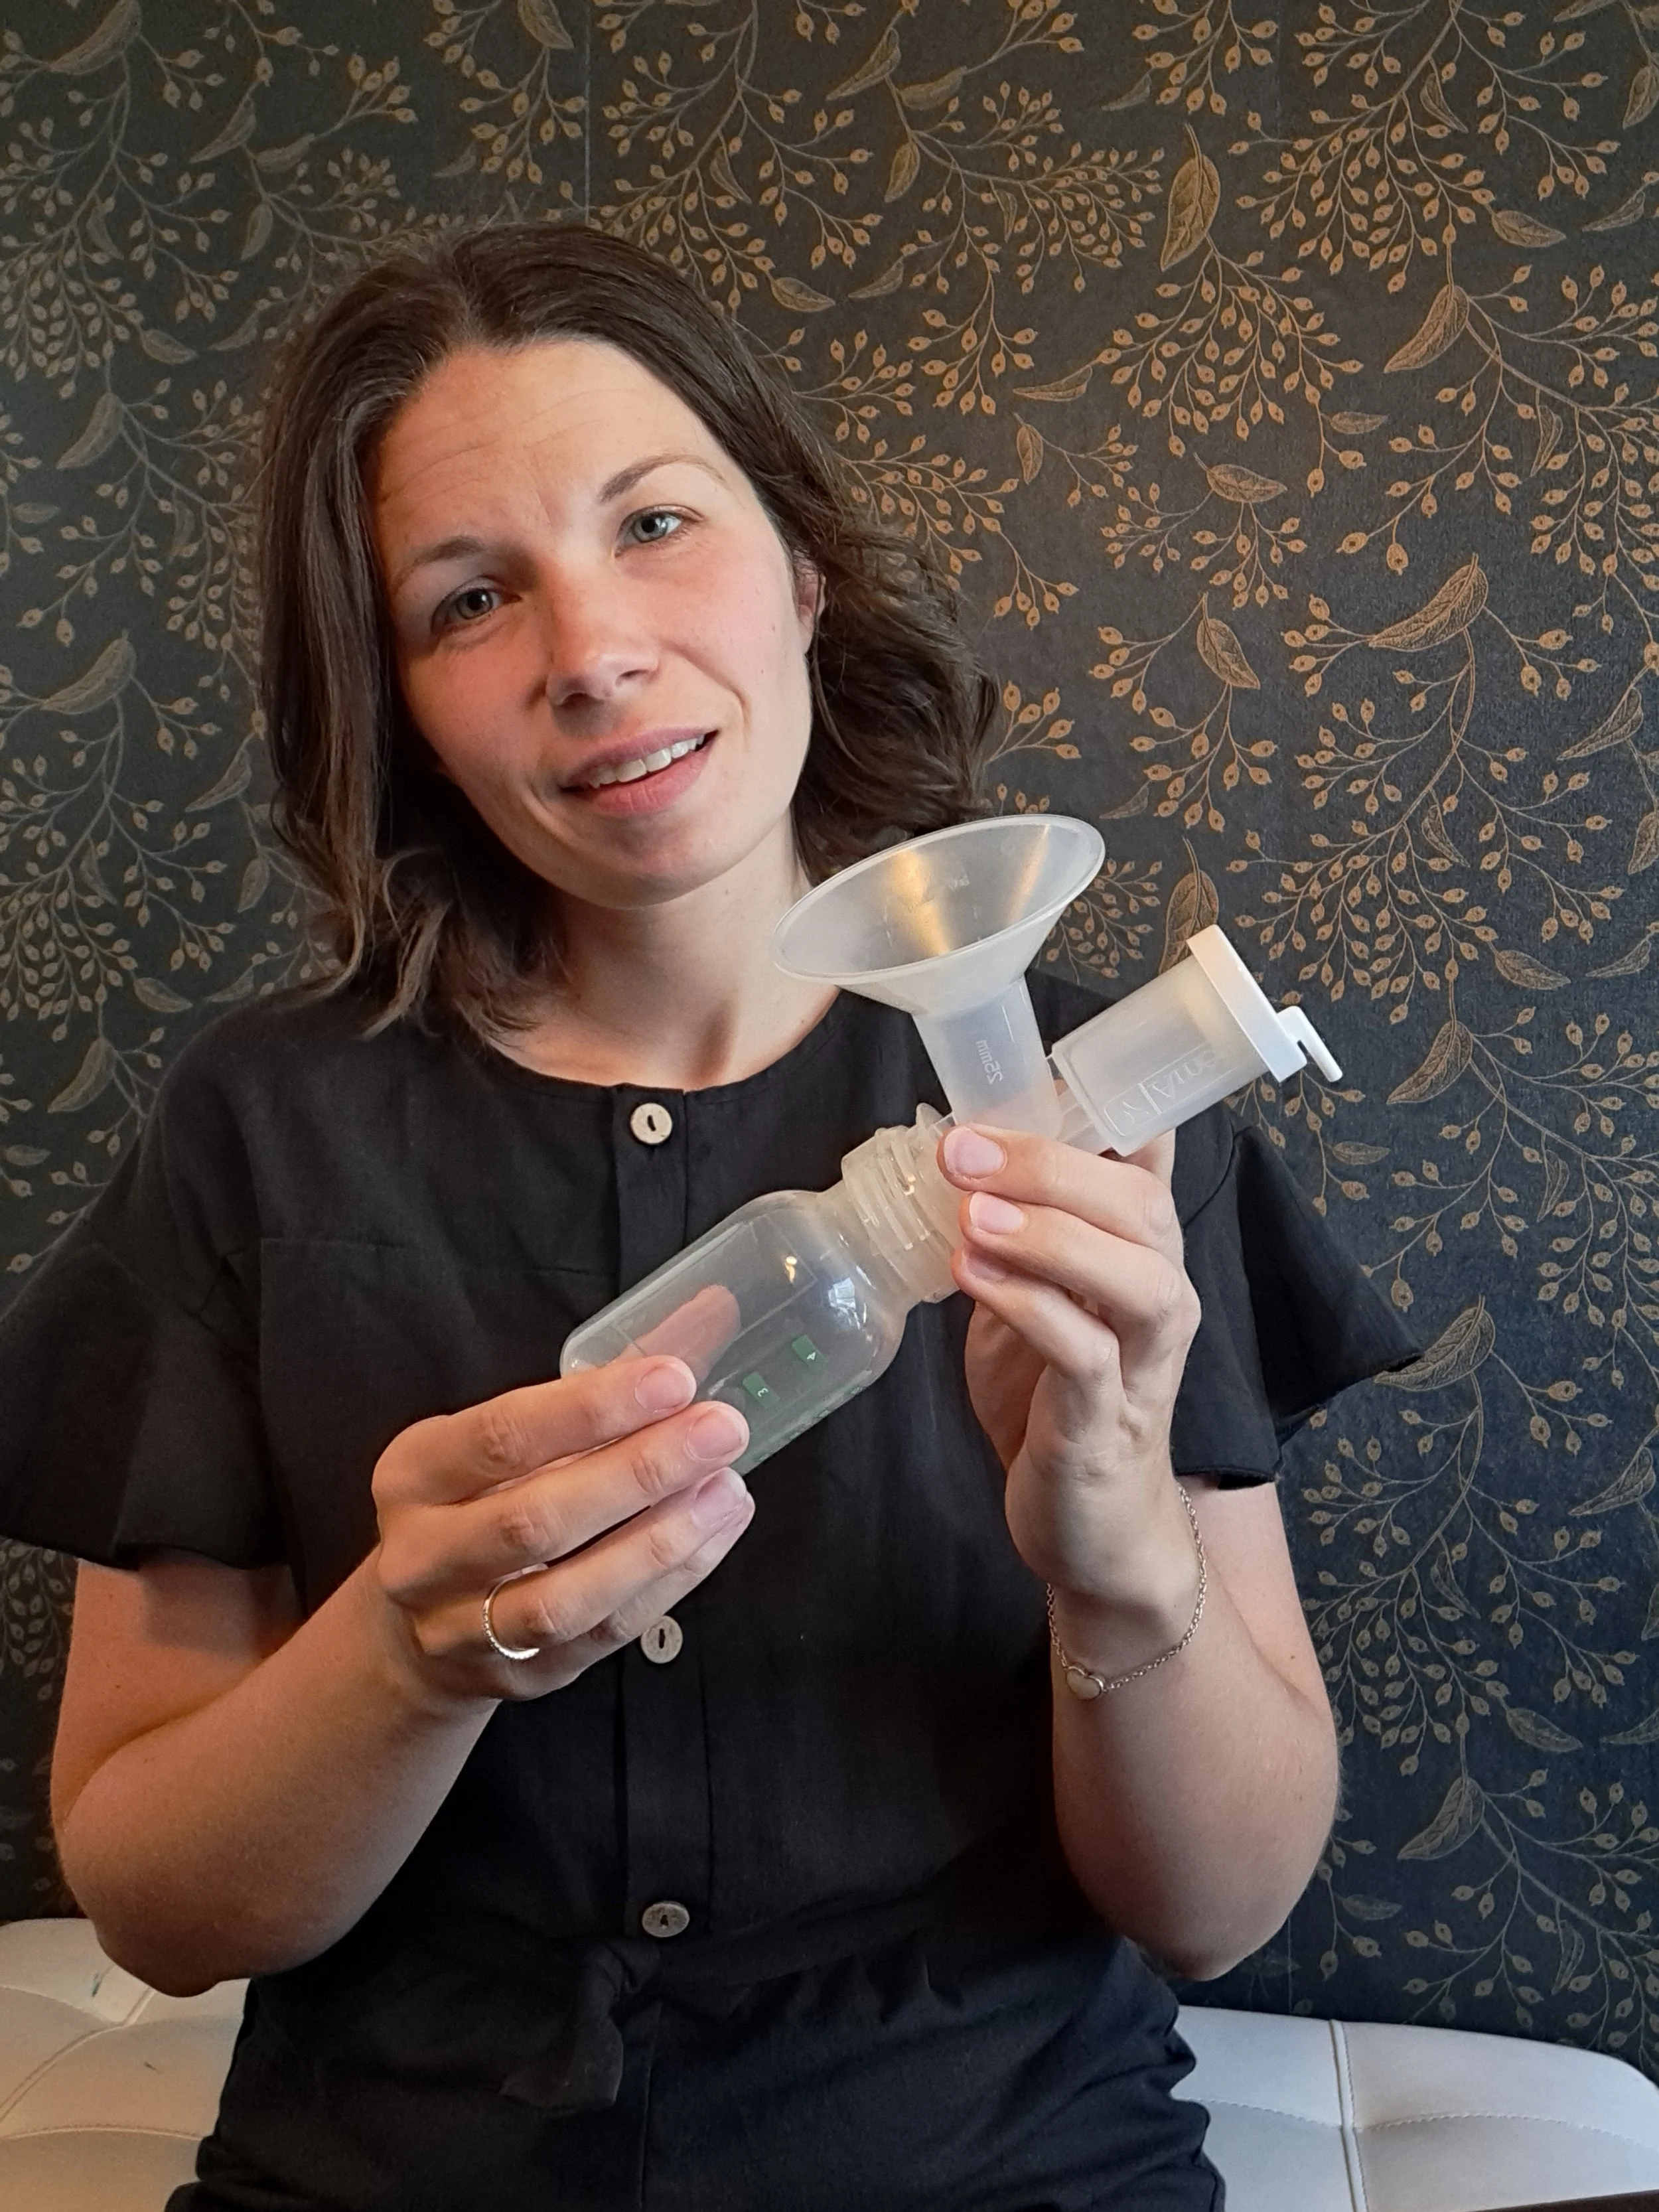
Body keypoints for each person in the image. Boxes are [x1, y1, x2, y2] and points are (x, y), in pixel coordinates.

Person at [0, 223, 1414, 2212]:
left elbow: (1214, 1910)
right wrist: (411, 1656)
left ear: (803, 568)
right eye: (470, 595)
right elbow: (154, 1902)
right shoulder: (263, 1128)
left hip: (992, 2163)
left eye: (655, 522)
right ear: (400, 695)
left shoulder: (1106, 1137)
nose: (588, 648)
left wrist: (1113, 1559)